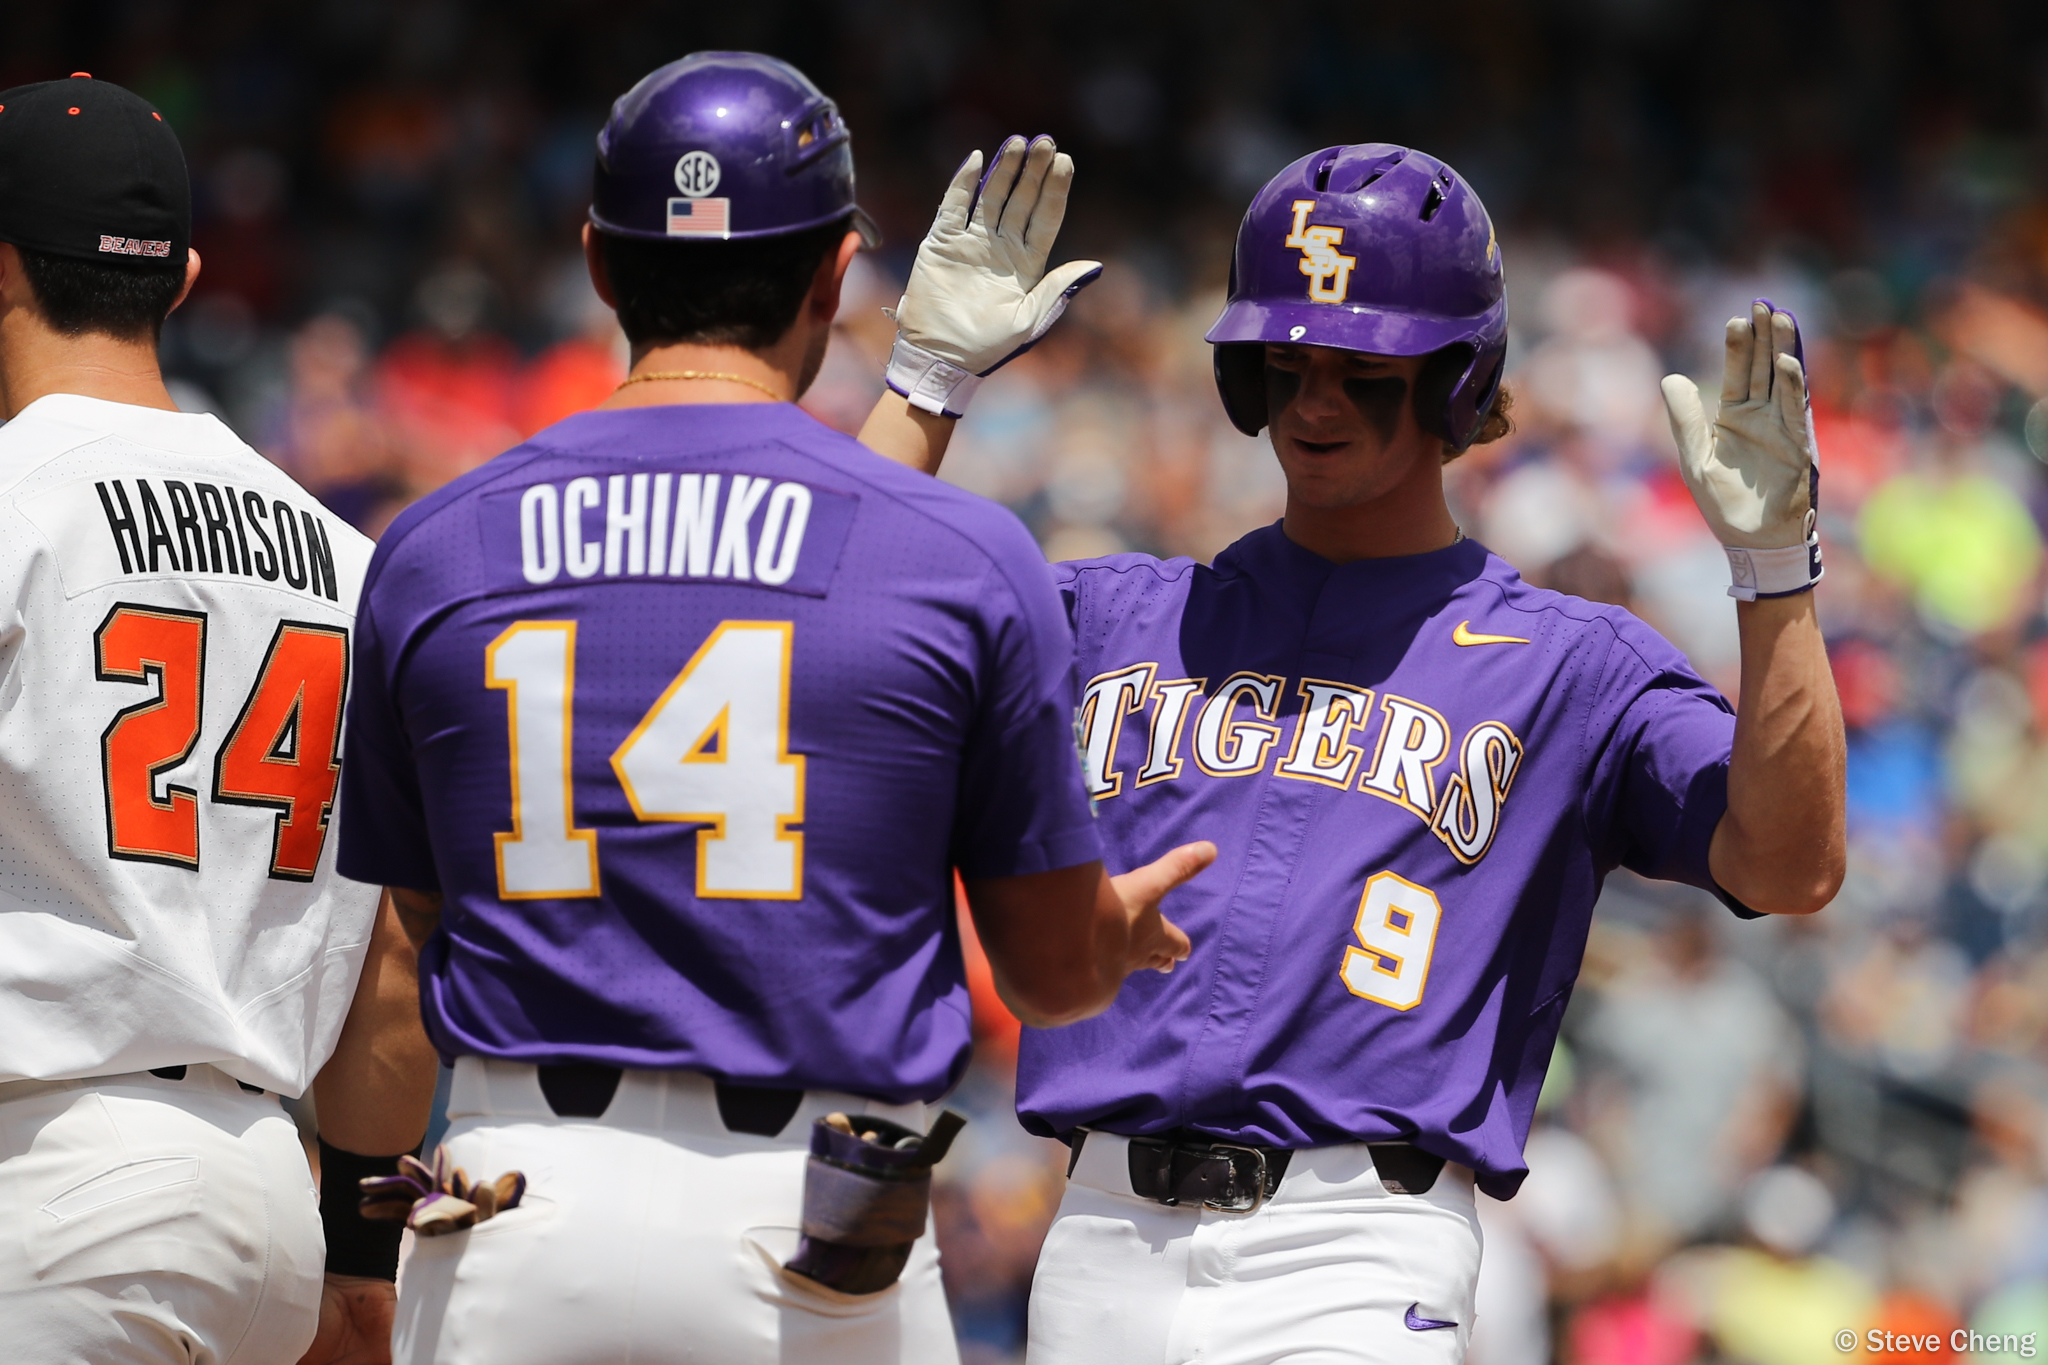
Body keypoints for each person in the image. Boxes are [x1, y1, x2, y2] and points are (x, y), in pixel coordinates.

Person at [866, 142, 1846, 1363]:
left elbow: (1788, 865)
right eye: (1283, 365)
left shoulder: (1569, 666)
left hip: (1357, 1247)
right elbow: (833, 645)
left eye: (1361, 372)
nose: (1313, 404)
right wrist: (923, 382)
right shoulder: (1110, 615)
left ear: (1455, 384)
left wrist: (1773, 579)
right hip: (1098, 1240)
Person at [321, 52, 1210, 1365]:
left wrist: (352, 1258)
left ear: (598, 262)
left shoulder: (437, 544)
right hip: (811, 1217)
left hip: (513, 1198)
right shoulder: (958, 553)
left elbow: (400, 961)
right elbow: (1046, 975)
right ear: (834, 274)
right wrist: (1107, 938)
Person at [0, 74, 436, 1365]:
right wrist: (360, 1264)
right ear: (182, 278)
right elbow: (396, 956)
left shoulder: (14, 499)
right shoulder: (349, 560)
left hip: (44, 1170)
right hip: (264, 1192)